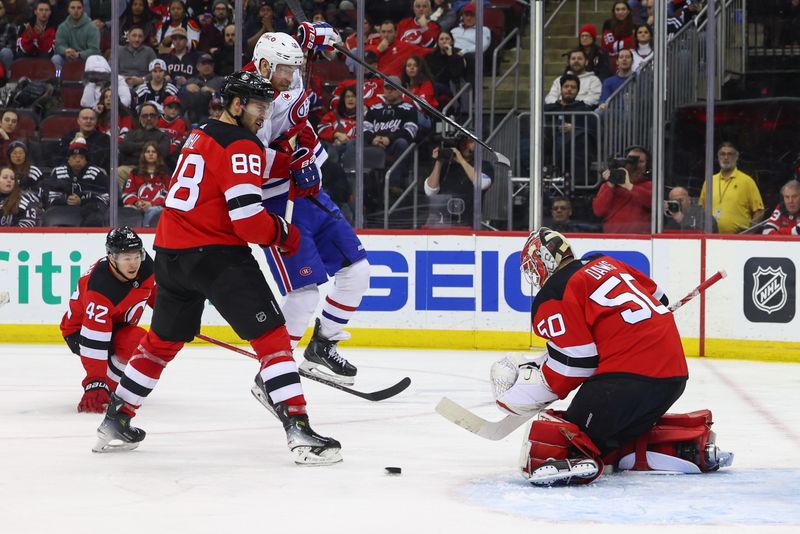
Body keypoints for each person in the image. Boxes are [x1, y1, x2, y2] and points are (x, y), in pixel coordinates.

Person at [92, 71, 342, 466]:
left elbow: (232, 166)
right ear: (238, 105)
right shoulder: (242, 143)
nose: (265, 114)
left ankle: (116, 418)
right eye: (260, 106)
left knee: (160, 344)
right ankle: (299, 430)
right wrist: (284, 232)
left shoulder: (201, 133)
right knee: (273, 340)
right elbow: (247, 219)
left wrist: (288, 162)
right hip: (217, 257)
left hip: (170, 255)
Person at [490, 228, 731, 485]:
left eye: (532, 265)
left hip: (626, 382)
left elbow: (576, 365)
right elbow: (660, 298)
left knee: (561, 440)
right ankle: (691, 449)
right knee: (611, 445)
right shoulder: (605, 261)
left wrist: (525, 397)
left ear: (543, 261)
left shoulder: (555, 293)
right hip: (673, 379)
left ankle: (582, 456)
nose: (533, 274)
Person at [250, 27, 370, 387]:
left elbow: (308, 48)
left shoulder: (286, 68)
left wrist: (316, 36)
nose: (290, 77)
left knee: (358, 271)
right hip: (277, 200)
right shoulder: (250, 100)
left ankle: (323, 343)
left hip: (312, 190)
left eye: (294, 68)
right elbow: (251, 160)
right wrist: (291, 161)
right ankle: (274, 373)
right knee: (303, 295)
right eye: (284, 70)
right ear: (264, 67)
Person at [60, 227, 155, 413]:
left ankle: (111, 385)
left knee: (139, 341)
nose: (133, 264)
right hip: (80, 332)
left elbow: (154, 293)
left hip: (116, 325)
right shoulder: (100, 287)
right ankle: (107, 387)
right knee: (134, 342)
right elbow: (93, 340)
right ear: (112, 257)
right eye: (126, 258)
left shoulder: (145, 266)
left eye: (136, 256)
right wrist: (95, 383)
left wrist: (174, 319)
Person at [424, 136, 492, 226]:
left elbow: (482, 184)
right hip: (443, 223)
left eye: (470, 142)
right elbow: (430, 191)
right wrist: (439, 161)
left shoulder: (485, 166)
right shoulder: (446, 166)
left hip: (469, 223)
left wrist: (461, 160)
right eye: (464, 142)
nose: (466, 145)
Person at [699, 142, 765, 234]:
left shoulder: (747, 181)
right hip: (711, 238)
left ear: (736, 157)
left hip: (738, 239)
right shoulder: (709, 181)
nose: (726, 157)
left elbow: (759, 211)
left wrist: (749, 234)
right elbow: (700, 210)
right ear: (718, 157)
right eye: (722, 154)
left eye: (730, 154)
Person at [43, 139, 109, 226]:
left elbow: (106, 198)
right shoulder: (58, 172)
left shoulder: (95, 173)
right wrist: (65, 199)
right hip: (63, 213)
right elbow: (50, 198)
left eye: (81, 157)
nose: (78, 160)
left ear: (86, 160)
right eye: (74, 157)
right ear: (68, 160)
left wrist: (82, 200)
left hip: (90, 215)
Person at [592, 145, 652, 233]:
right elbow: (598, 211)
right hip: (611, 240)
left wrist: (628, 186)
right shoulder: (608, 185)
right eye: (631, 161)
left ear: (647, 165)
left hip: (641, 241)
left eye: (641, 161)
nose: (636, 165)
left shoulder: (649, 185)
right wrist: (610, 185)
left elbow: (652, 203)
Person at [121, 141, 170, 227]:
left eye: (153, 152)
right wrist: (137, 202)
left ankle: (146, 231)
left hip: (156, 207)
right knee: (128, 209)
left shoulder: (166, 174)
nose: (150, 154)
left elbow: (169, 195)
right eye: (148, 152)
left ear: (158, 155)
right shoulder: (135, 173)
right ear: (143, 155)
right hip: (138, 205)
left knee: (153, 210)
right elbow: (127, 194)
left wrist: (151, 203)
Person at [58, 107, 110, 173]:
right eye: (85, 118)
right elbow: (60, 158)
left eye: (92, 119)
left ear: (96, 121)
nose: (88, 121)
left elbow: (99, 160)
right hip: (70, 172)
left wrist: (83, 143)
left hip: (94, 172)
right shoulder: (68, 136)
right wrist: (73, 144)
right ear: (78, 121)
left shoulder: (104, 138)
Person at [52, 0, 100, 71]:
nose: (76, 10)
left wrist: (79, 54)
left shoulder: (92, 27)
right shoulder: (62, 27)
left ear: (83, 9)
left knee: (94, 59)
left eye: (79, 8)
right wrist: (65, 51)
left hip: (86, 59)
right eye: (73, 8)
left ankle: (89, 80)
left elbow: (94, 50)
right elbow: (58, 46)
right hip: (68, 58)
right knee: (56, 59)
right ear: (68, 9)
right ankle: (57, 78)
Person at [450, 2, 490, 79]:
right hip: (453, 52)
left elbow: (482, 46)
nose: (469, 18)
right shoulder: (454, 30)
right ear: (462, 17)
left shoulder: (483, 29)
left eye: (472, 15)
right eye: (466, 15)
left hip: (469, 54)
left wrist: (464, 51)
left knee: (472, 58)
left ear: (477, 17)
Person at [601, 1, 635, 75]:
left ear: (628, 11)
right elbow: (609, 45)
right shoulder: (608, 24)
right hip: (609, 65)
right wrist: (627, 43)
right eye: (618, 9)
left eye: (623, 9)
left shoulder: (634, 25)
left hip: (630, 64)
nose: (620, 12)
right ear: (614, 11)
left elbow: (634, 45)